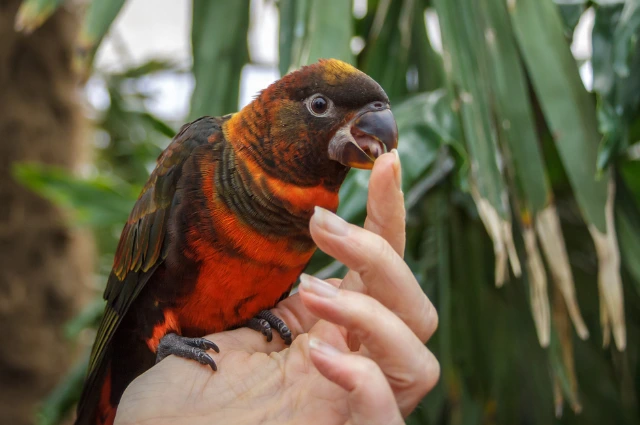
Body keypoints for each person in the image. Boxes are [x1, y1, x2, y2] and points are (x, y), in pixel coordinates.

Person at [114, 152, 440, 425]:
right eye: (319, 104)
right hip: (146, 336)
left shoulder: (312, 213)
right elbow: (130, 292)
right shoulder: (206, 153)